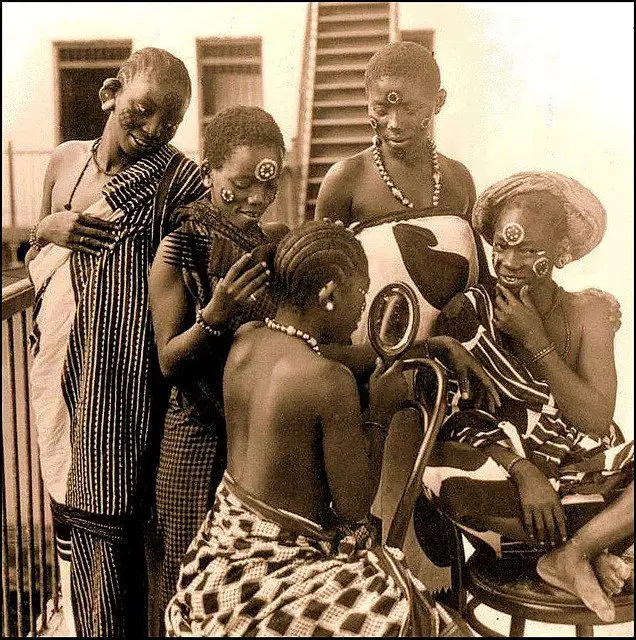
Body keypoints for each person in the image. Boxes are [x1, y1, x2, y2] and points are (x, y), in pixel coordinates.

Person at [164, 220, 471, 637]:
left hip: (220, 567)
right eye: (362, 295)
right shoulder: (329, 382)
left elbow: (334, 354)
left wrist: (427, 346)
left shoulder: (248, 339)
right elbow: (353, 508)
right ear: (330, 293)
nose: (363, 310)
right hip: (279, 575)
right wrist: (379, 413)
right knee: (435, 626)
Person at [25, 48, 207, 636]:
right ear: (109, 94)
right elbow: (38, 261)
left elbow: (202, 253)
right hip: (57, 360)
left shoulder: (175, 177)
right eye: (143, 110)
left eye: (169, 122)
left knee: (119, 522)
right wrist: (45, 226)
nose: (152, 130)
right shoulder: (64, 162)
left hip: (124, 378)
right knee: (64, 492)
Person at [420, 172, 634, 622]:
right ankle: (597, 544)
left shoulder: (590, 312)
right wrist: (523, 470)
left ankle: (571, 553)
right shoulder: (468, 312)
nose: (509, 261)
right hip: (510, 483)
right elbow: (453, 421)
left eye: (528, 250)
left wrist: (536, 340)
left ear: (560, 253)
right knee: (443, 478)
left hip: (581, 472)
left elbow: (596, 421)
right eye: (501, 245)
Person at [148, 105, 289, 626]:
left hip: (254, 439)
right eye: (240, 184)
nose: (255, 198)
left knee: (242, 589)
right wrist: (216, 315)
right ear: (209, 170)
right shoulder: (178, 247)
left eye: (267, 186)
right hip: (195, 438)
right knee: (187, 582)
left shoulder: (267, 246)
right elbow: (168, 360)